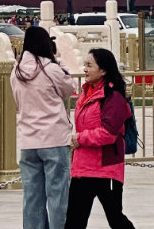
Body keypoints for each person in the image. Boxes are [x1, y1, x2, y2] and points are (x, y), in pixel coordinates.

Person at [11, 24, 75, 229]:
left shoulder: (17, 71)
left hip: (29, 141)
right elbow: (70, 88)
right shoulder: (51, 69)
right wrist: (59, 62)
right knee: (57, 195)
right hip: (54, 138)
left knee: (32, 197)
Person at [65, 48, 135, 229]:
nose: (85, 69)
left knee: (116, 219)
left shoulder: (113, 97)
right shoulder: (86, 93)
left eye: (89, 65)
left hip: (106, 167)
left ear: (103, 70)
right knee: (74, 221)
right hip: (83, 167)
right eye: (85, 65)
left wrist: (80, 138)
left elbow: (108, 134)